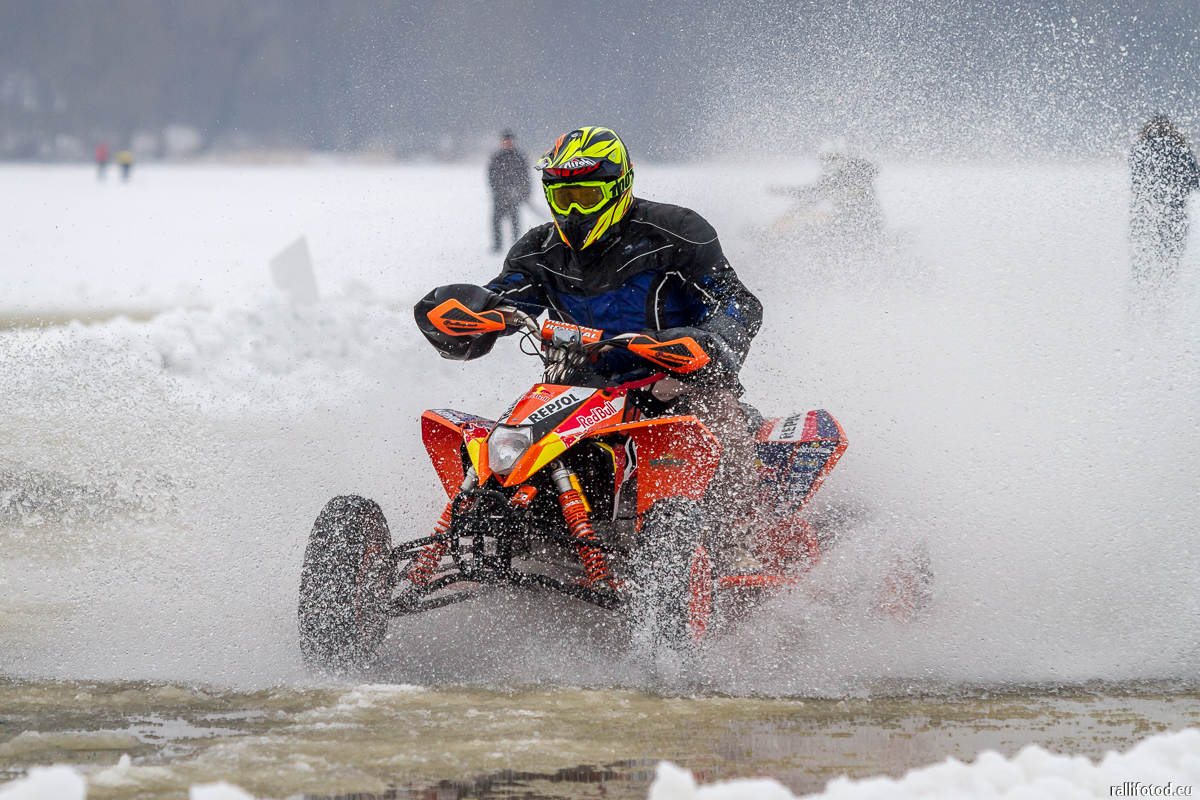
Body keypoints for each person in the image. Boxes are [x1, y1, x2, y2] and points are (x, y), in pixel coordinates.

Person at [419, 126, 763, 552]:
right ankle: (509, 526)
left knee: (716, 423)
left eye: (585, 197)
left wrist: (709, 342)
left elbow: (737, 302)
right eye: (563, 198)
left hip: (675, 380)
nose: (574, 211)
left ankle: (742, 540)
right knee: (509, 441)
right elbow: (507, 301)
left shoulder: (676, 232)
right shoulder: (539, 250)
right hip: (580, 387)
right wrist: (466, 314)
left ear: (618, 188)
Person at [1129, 115, 1198, 283]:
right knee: (1168, 263)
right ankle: (1164, 293)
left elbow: (1137, 180)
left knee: (1142, 264)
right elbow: (1195, 180)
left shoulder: (1140, 149)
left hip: (1143, 216)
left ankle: (1141, 294)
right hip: (1174, 216)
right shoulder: (1180, 150)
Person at [769, 141, 882, 242]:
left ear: (843, 156)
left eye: (832, 158)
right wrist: (783, 192)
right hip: (844, 227)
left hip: (864, 228)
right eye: (825, 159)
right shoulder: (833, 178)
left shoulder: (856, 173)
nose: (828, 162)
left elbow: (812, 194)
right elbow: (811, 195)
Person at [487, 129, 531, 252]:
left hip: (515, 196)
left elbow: (525, 177)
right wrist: (499, 191)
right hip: (499, 196)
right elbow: (491, 176)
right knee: (496, 221)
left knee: (515, 221)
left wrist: (525, 193)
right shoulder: (496, 157)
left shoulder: (519, 157)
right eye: (505, 141)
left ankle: (516, 244)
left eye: (509, 141)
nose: (507, 143)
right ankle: (497, 245)